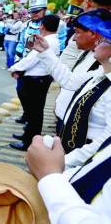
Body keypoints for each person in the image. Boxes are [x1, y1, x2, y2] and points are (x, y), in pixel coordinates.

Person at [31, 9, 111, 158]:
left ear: (96, 34)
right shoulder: (100, 71)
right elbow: (71, 81)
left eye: (104, 40)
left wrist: (66, 161)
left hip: (83, 155)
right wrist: (45, 52)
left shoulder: (104, 71)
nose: (73, 38)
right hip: (69, 137)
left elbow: (105, 142)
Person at [8, 14, 60, 151]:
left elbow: (31, 59)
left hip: (36, 80)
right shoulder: (54, 40)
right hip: (39, 79)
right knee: (34, 113)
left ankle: (29, 142)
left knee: (34, 113)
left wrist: (14, 68)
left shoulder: (46, 41)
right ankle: (28, 136)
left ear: (42, 26)